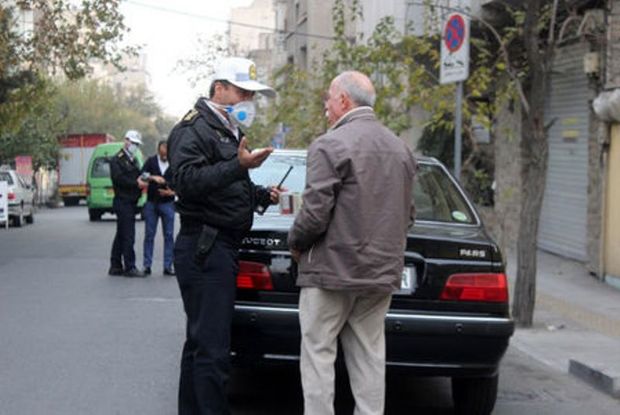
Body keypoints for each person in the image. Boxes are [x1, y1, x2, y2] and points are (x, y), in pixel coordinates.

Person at [288, 71, 417, 415]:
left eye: (328, 100)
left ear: (344, 100)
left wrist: (296, 243)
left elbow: (314, 214)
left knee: (318, 354)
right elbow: (408, 214)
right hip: (379, 275)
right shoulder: (401, 149)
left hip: (330, 272)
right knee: (370, 357)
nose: (326, 107)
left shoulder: (329, 144)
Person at [167, 57, 282, 415]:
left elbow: (225, 185)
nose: (247, 98)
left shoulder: (225, 129)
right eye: (241, 90)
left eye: (250, 92)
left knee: (200, 344)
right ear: (219, 88)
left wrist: (261, 195)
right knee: (213, 351)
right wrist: (239, 165)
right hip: (206, 246)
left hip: (218, 246)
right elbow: (184, 182)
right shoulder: (193, 129)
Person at [108, 130, 146, 278]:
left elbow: (138, 174)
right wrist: (136, 183)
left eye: (137, 144)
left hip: (131, 201)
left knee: (121, 235)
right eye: (133, 143)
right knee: (128, 235)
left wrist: (145, 179)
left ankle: (115, 265)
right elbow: (119, 180)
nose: (135, 146)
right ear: (126, 141)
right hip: (123, 201)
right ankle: (130, 267)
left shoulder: (133, 159)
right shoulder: (117, 160)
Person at [138, 140, 176, 276]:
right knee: (149, 235)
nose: (164, 155)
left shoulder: (174, 163)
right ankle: (147, 265)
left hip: (168, 203)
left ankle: (168, 266)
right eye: (162, 152)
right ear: (158, 150)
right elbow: (142, 175)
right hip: (152, 204)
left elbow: (180, 181)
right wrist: (153, 178)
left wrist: (171, 191)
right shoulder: (151, 161)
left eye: (167, 152)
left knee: (169, 235)